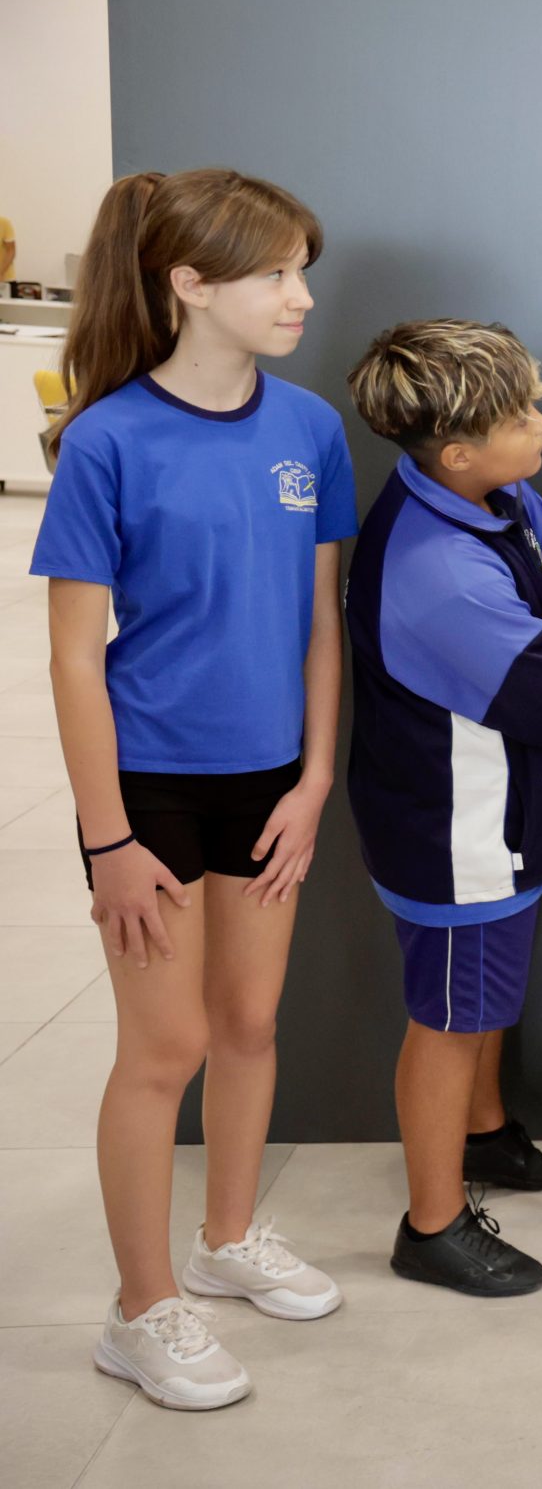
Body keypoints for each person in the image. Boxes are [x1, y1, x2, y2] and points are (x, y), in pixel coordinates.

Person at [36, 169, 350, 1410]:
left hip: (271, 778)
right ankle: (140, 1308)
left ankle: (226, 1241)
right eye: (275, 272)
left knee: (250, 1024)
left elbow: (321, 623)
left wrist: (315, 778)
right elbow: (74, 658)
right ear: (191, 285)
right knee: (164, 1048)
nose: (300, 295)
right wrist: (109, 840)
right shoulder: (108, 438)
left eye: (302, 270)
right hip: (149, 784)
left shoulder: (309, 428)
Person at [344, 318, 542, 1297]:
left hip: (501, 812)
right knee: (451, 1019)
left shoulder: (502, 495)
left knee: (483, 1002)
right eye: (522, 416)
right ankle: (432, 1224)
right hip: (453, 830)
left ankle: (484, 1134)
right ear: (457, 452)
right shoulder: (439, 572)